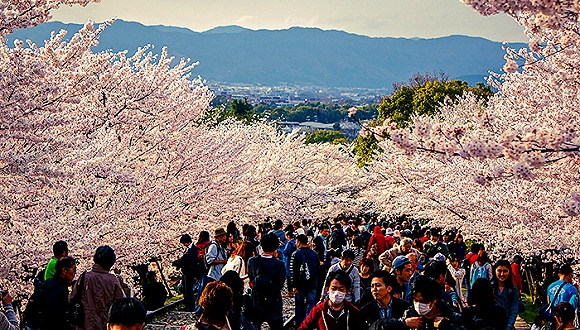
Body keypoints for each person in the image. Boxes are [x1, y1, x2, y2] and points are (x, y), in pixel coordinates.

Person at [70, 245, 125, 330]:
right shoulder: (113, 281)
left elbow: (72, 297)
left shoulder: (84, 277)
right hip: (104, 323)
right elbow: (120, 304)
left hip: (84, 323)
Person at [247, 232, 286, 330]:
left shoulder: (252, 261)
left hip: (257, 299)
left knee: (255, 326)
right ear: (275, 247)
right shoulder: (279, 264)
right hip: (274, 301)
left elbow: (251, 278)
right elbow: (281, 283)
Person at [37, 256, 77, 330]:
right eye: (74, 270)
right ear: (64, 271)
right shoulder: (60, 290)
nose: (75, 273)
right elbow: (57, 317)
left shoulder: (49, 282)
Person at [291, 234, 320, 324]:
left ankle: (300, 323)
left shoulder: (295, 254)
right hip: (312, 283)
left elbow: (293, 271)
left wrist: (294, 285)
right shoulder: (314, 253)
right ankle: (309, 322)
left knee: (299, 305)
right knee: (310, 304)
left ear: (299, 242)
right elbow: (318, 267)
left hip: (300, 285)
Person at [173, 234, 198, 311]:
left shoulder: (193, 249)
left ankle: (190, 306)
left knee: (188, 289)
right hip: (186, 271)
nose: (184, 245)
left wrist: (182, 259)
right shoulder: (189, 249)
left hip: (189, 272)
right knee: (185, 289)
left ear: (187, 242)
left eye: (184, 243)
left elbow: (191, 259)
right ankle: (187, 305)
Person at [493, 260, 520, 330]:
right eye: (499, 271)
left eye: (505, 271)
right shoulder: (489, 287)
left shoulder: (513, 290)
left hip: (507, 324)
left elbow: (514, 309)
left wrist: (509, 326)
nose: (502, 274)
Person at [281, 230, 296, 297]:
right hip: (293, 260)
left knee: (289, 277)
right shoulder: (294, 242)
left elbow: (285, 252)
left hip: (288, 261)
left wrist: (280, 248)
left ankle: (290, 292)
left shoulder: (289, 243)